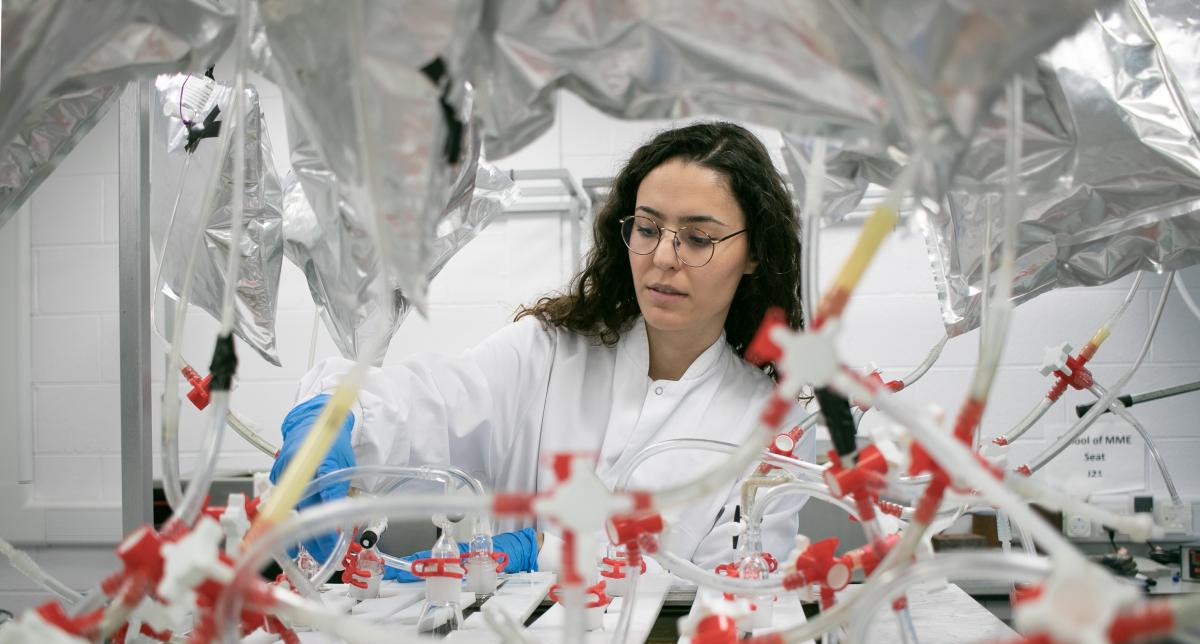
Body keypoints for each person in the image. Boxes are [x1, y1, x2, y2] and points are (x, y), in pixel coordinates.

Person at [271, 121, 813, 579]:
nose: (663, 257)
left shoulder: (773, 424)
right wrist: (335, 417)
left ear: (753, 255)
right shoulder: (549, 353)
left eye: (698, 238)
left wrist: (537, 554)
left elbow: (738, 587)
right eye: (646, 228)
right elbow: (430, 404)